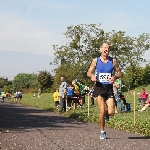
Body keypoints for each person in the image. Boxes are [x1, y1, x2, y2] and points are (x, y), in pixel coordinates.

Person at [87, 42, 122, 139]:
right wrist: (92, 76)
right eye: (105, 48)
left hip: (109, 88)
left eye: (108, 48)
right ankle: (102, 132)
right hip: (99, 87)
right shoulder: (96, 61)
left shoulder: (113, 61)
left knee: (111, 112)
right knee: (102, 111)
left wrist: (114, 77)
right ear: (101, 49)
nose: (107, 49)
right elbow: (89, 72)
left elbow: (120, 73)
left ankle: (107, 114)